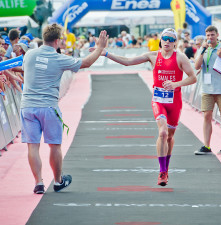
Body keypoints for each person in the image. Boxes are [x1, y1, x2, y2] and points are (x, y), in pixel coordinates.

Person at [99, 28, 196, 186]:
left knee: (170, 137)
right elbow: (128, 62)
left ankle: (166, 168)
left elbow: (193, 78)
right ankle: (162, 172)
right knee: (163, 132)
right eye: (165, 38)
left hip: (175, 102)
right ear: (160, 39)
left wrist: (176, 84)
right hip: (158, 100)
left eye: (171, 39)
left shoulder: (180, 57)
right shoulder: (152, 56)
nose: (167, 41)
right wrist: (106, 53)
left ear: (175, 42)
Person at [20, 23, 108, 194]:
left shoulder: (29, 54)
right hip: (48, 106)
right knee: (54, 145)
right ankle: (58, 181)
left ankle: (38, 183)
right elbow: (86, 63)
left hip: (28, 106)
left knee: (32, 146)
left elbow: (25, 71)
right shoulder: (59, 58)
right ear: (58, 41)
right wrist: (100, 48)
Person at [194, 25, 221, 155]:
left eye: (212, 35)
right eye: (208, 35)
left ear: (217, 35)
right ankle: (207, 146)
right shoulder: (203, 49)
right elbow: (196, 66)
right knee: (207, 115)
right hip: (207, 88)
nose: (210, 37)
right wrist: (202, 51)